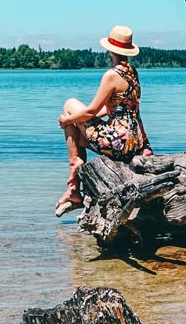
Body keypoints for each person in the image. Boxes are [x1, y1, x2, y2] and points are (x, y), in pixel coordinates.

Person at [55, 24, 151, 216]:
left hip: (116, 142)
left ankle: (74, 185)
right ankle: (74, 183)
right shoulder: (132, 72)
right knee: (76, 128)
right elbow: (120, 111)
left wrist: (67, 120)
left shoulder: (112, 75)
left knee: (70, 104)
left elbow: (91, 111)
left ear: (110, 49)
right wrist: (145, 145)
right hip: (131, 142)